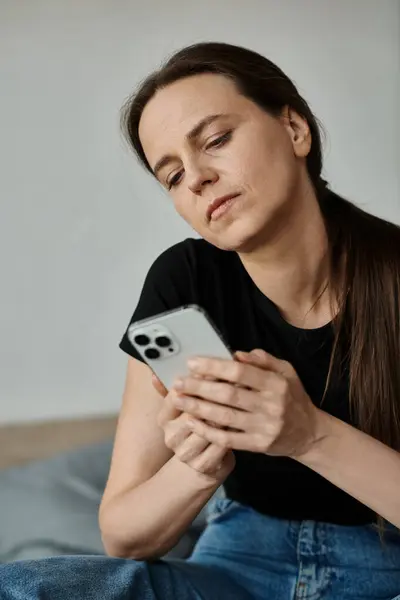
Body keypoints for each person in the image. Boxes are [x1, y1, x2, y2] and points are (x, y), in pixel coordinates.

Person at [1, 41, 400, 600]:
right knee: (19, 586)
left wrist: (308, 435)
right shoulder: (183, 280)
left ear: (295, 130)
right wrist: (199, 466)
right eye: (171, 175)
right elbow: (122, 535)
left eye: (215, 140)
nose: (196, 178)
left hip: (388, 564)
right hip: (239, 561)